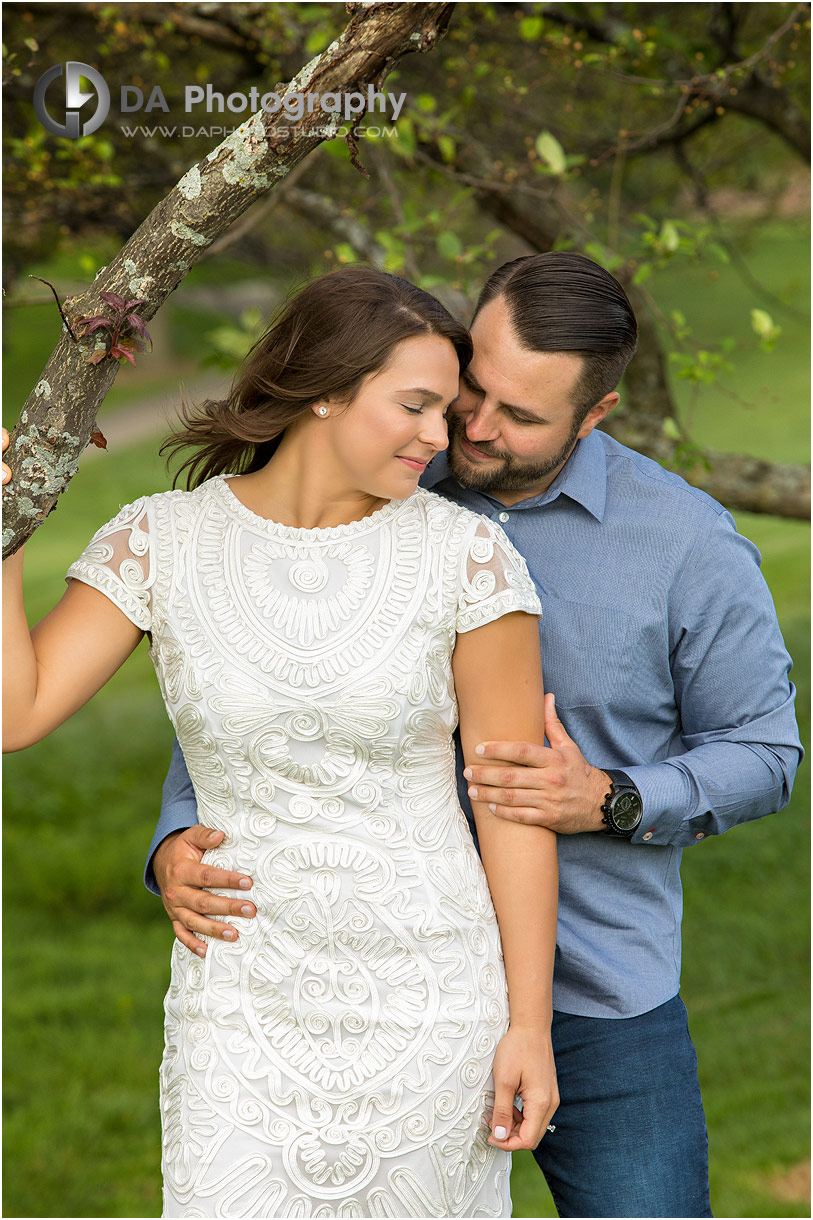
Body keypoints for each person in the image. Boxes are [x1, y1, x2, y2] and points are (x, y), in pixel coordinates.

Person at [149, 252, 802, 1219]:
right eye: (473, 391)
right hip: (364, 991)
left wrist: (613, 798)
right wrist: (174, 839)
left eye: (523, 416)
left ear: (597, 412)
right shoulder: (386, 483)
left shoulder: (687, 546)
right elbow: (261, 680)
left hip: (594, 995)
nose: (475, 428)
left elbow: (765, 751)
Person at [2, 267, 561, 1218]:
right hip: (242, 1002)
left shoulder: (465, 557)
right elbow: (17, 714)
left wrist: (528, 1027)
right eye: (416, 406)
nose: (442, 436)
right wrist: (5, 540)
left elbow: (513, 806)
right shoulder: (161, 542)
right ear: (326, 391)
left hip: (427, 1000)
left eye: (447, 410)